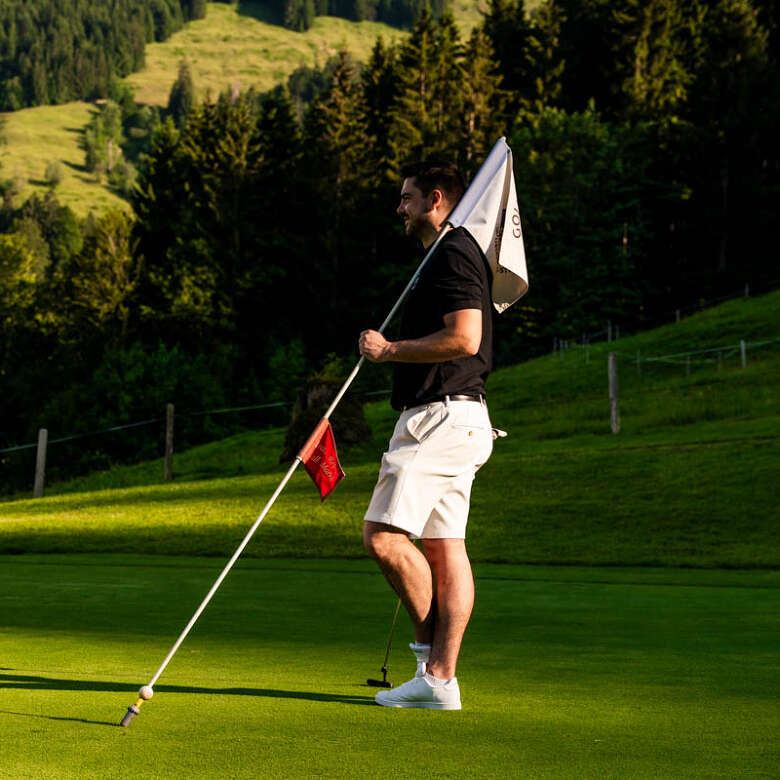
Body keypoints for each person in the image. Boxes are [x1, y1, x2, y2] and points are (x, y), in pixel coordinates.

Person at [358, 160, 495, 710]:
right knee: (444, 548)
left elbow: (465, 338)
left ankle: (429, 665)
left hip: (439, 416)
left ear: (435, 199)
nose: (400, 207)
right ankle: (440, 680)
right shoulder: (448, 253)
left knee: (384, 538)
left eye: (407, 198)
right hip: (462, 418)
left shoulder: (453, 252)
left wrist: (389, 350)